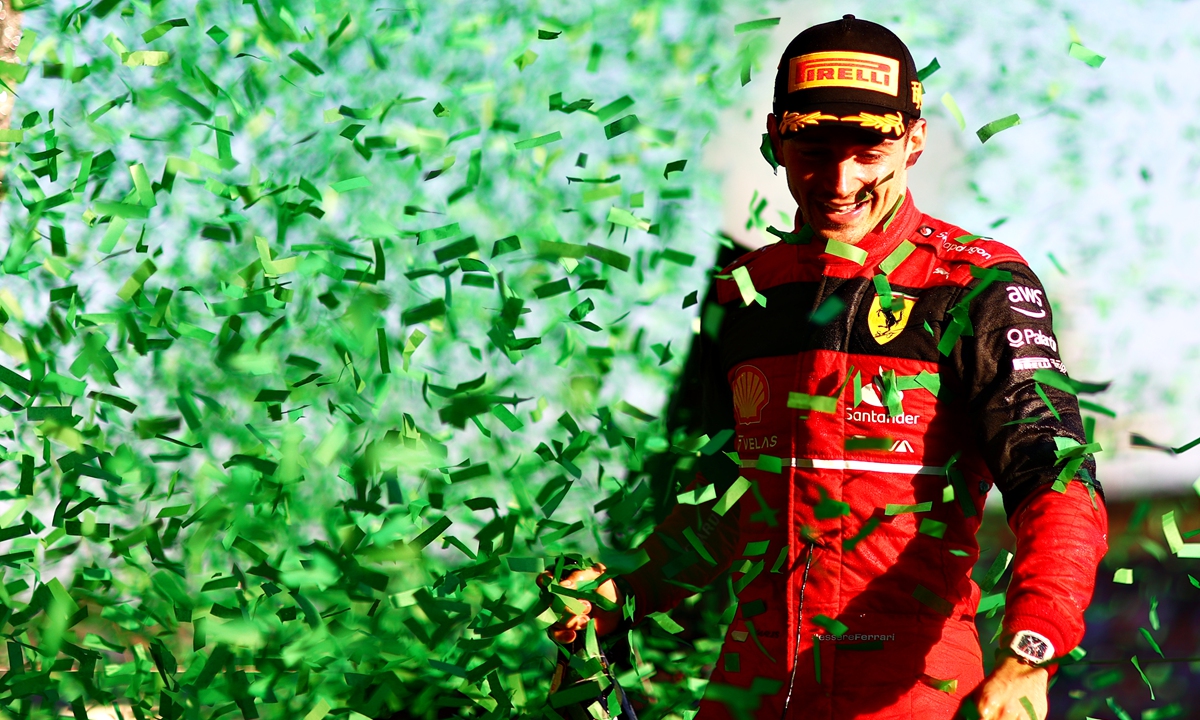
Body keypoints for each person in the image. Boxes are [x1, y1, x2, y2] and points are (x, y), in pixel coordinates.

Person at [542, 14, 1109, 720]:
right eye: (814, 151)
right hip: (751, 691)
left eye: (869, 152)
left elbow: (1057, 481)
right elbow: (724, 508)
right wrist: (625, 594)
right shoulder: (742, 294)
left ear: (915, 140)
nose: (840, 181)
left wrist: (1032, 649)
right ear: (776, 139)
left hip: (908, 693)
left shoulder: (976, 285)